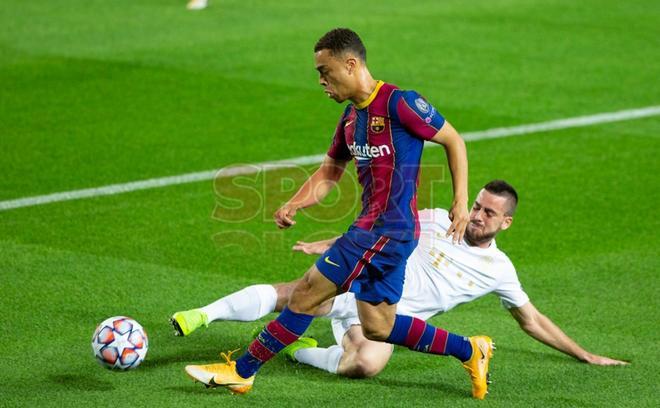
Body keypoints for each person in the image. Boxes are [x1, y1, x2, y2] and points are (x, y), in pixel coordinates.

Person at [179, 27, 483, 397]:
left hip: (384, 230)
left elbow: (453, 139)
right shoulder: (350, 120)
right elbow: (328, 173)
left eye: (326, 71)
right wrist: (295, 202)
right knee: (377, 328)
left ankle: (242, 371)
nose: (322, 81)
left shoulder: (399, 103)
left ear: (351, 64)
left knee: (306, 293)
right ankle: (471, 349)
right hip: (387, 234)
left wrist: (460, 201)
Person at [173, 181, 627, 383]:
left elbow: (532, 320)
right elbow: (381, 232)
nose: (476, 214)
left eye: (489, 212)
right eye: (476, 204)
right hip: (359, 286)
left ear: (505, 223)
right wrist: (332, 244)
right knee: (297, 293)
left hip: (386, 320)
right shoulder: (436, 218)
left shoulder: (500, 270)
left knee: (365, 366)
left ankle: (299, 352)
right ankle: (202, 315)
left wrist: (584, 354)